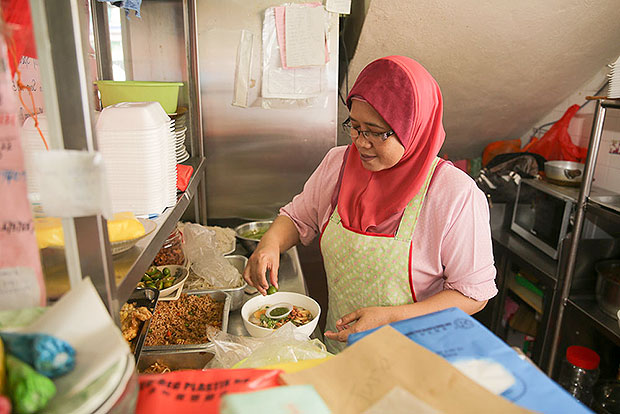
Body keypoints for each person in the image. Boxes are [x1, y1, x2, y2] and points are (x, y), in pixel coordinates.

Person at [243, 55, 497, 353]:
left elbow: (473, 295)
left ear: (413, 128)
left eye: (376, 132)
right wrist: (269, 244)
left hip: (418, 360)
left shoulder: (454, 194)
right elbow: (298, 218)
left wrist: (391, 318)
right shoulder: (337, 164)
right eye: (355, 126)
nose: (361, 142)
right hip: (343, 352)